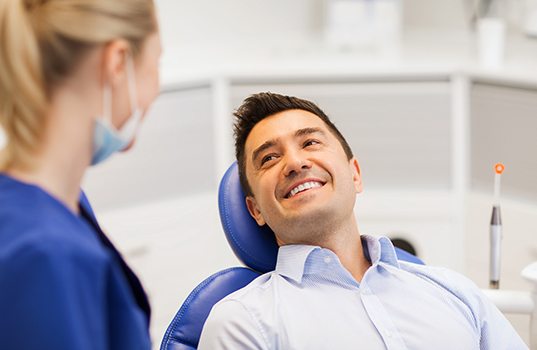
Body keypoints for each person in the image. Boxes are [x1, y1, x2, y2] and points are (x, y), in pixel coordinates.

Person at [198, 92, 527, 349]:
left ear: (354, 174)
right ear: (255, 210)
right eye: (269, 158)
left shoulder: (452, 291)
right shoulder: (241, 323)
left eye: (310, 142)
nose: (295, 162)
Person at [0, 0, 161, 349]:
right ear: (118, 62)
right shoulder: (46, 253)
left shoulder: (54, 210)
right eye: (156, 61)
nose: (156, 88)